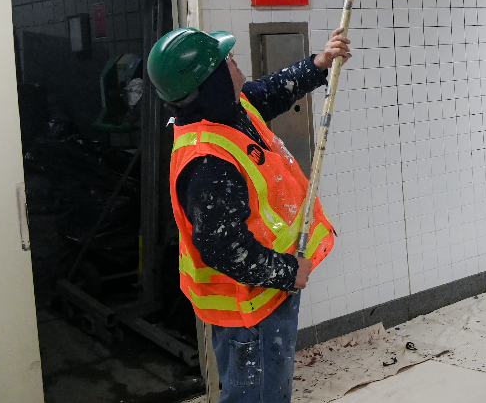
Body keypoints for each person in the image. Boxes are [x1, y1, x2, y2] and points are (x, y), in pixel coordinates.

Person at [147, 26, 350, 403]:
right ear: (211, 83)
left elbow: (270, 91)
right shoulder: (208, 161)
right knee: (258, 396)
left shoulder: (228, 111)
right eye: (227, 61)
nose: (235, 64)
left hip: (265, 294)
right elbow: (223, 247)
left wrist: (319, 64)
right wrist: (288, 271)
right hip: (249, 308)